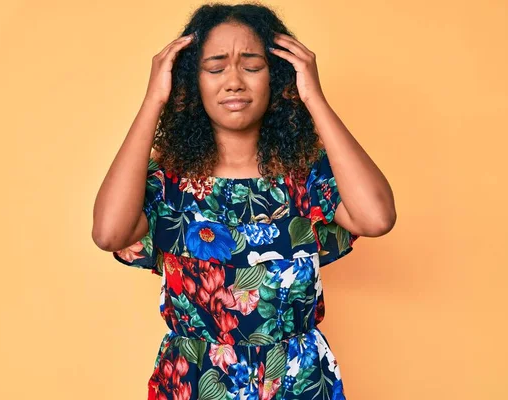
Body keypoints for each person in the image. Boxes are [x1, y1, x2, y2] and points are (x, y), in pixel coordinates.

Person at [92, 3, 396, 399]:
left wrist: (314, 98)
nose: (233, 81)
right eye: (215, 68)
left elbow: (377, 218)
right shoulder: (167, 181)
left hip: (297, 381)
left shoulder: (306, 176)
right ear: (191, 81)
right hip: (195, 382)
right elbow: (108, 232)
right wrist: (154, 100)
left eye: (251, 66)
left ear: (278, 77)